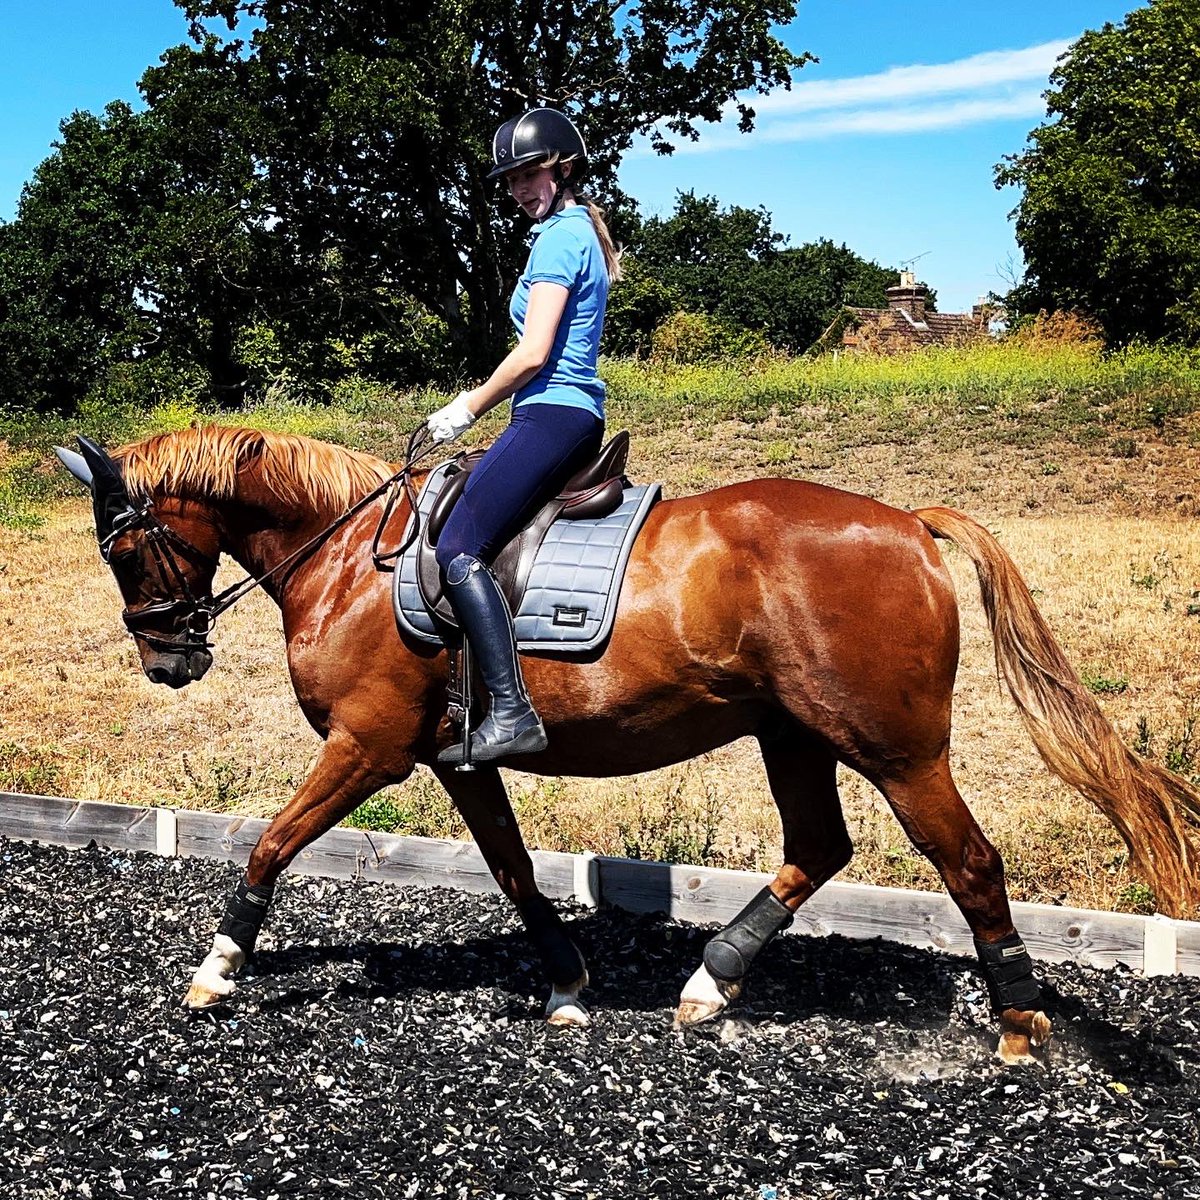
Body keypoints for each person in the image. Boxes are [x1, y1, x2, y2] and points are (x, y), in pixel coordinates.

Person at [426, 107, 623, 765]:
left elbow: (533, 353)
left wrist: (466, 408)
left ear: (562, 169)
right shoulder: (575, 232)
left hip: (551, 412)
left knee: (457, 547)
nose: (518, 190)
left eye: (528, 174)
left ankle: (511, 712)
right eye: (510, 180)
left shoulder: (560, 240)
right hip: (564, 414)